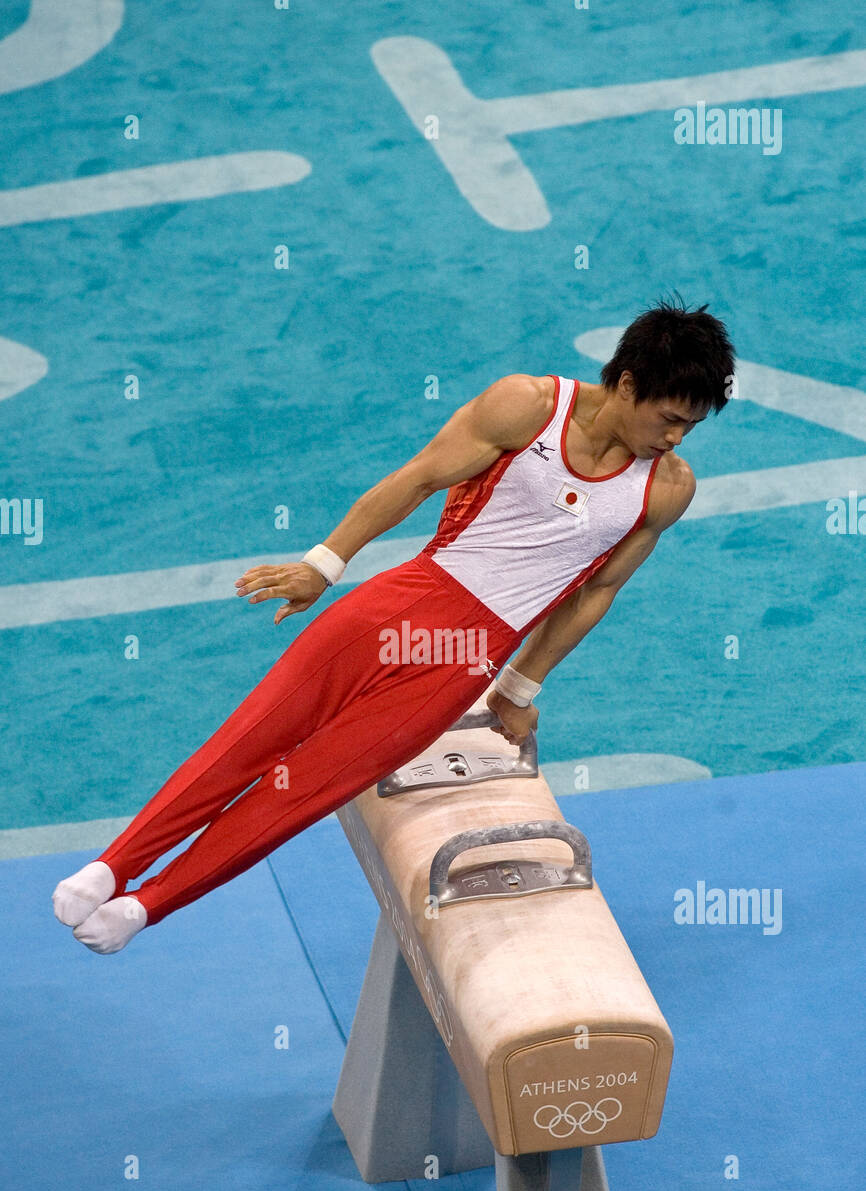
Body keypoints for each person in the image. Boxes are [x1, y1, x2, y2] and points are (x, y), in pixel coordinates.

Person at [52, 295, 735, 953]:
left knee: (305, 790)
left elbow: (594, 593)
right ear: (625, 382)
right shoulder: (527, 406)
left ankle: (149, 903)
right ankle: (114, 865)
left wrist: (518, 689)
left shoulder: (666, 488)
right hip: (396, 606)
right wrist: (325, 563)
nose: (675, 438)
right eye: (670, 418)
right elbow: (419, 478)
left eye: (690, 428)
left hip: (466, 659)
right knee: (251, 743)